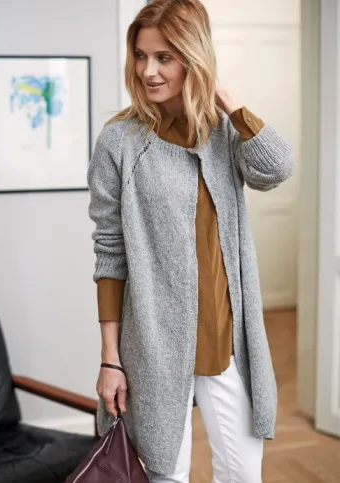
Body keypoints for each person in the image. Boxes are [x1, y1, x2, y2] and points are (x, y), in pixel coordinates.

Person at [87, 1, 293, 482]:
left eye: (165, 57)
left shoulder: (223, 133)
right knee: (166, 475)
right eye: (141, 56)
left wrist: (228, 102)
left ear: (193, 57)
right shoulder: (120, 140)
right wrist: (109, 358)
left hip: (226, 342)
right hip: (154, 348)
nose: (148, 71)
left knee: (243, 474)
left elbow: (277, 169)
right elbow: (109, 253)